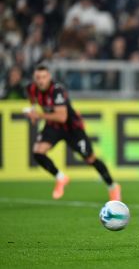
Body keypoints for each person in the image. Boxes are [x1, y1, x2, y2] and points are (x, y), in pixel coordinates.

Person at [24, 65, 121, 201]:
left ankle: (113, 186)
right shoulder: (31, 88)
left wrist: (38, 115)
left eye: (44, 77)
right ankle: (61, 178)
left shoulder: (57, 90)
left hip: (72, 128)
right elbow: (32, 101)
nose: (41, 81)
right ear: (35, 78)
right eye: (38, 77)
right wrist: (32, 112)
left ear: (49, 77)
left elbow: (62, 117)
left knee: (90, 158)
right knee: (38, 152)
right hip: (53, 127)